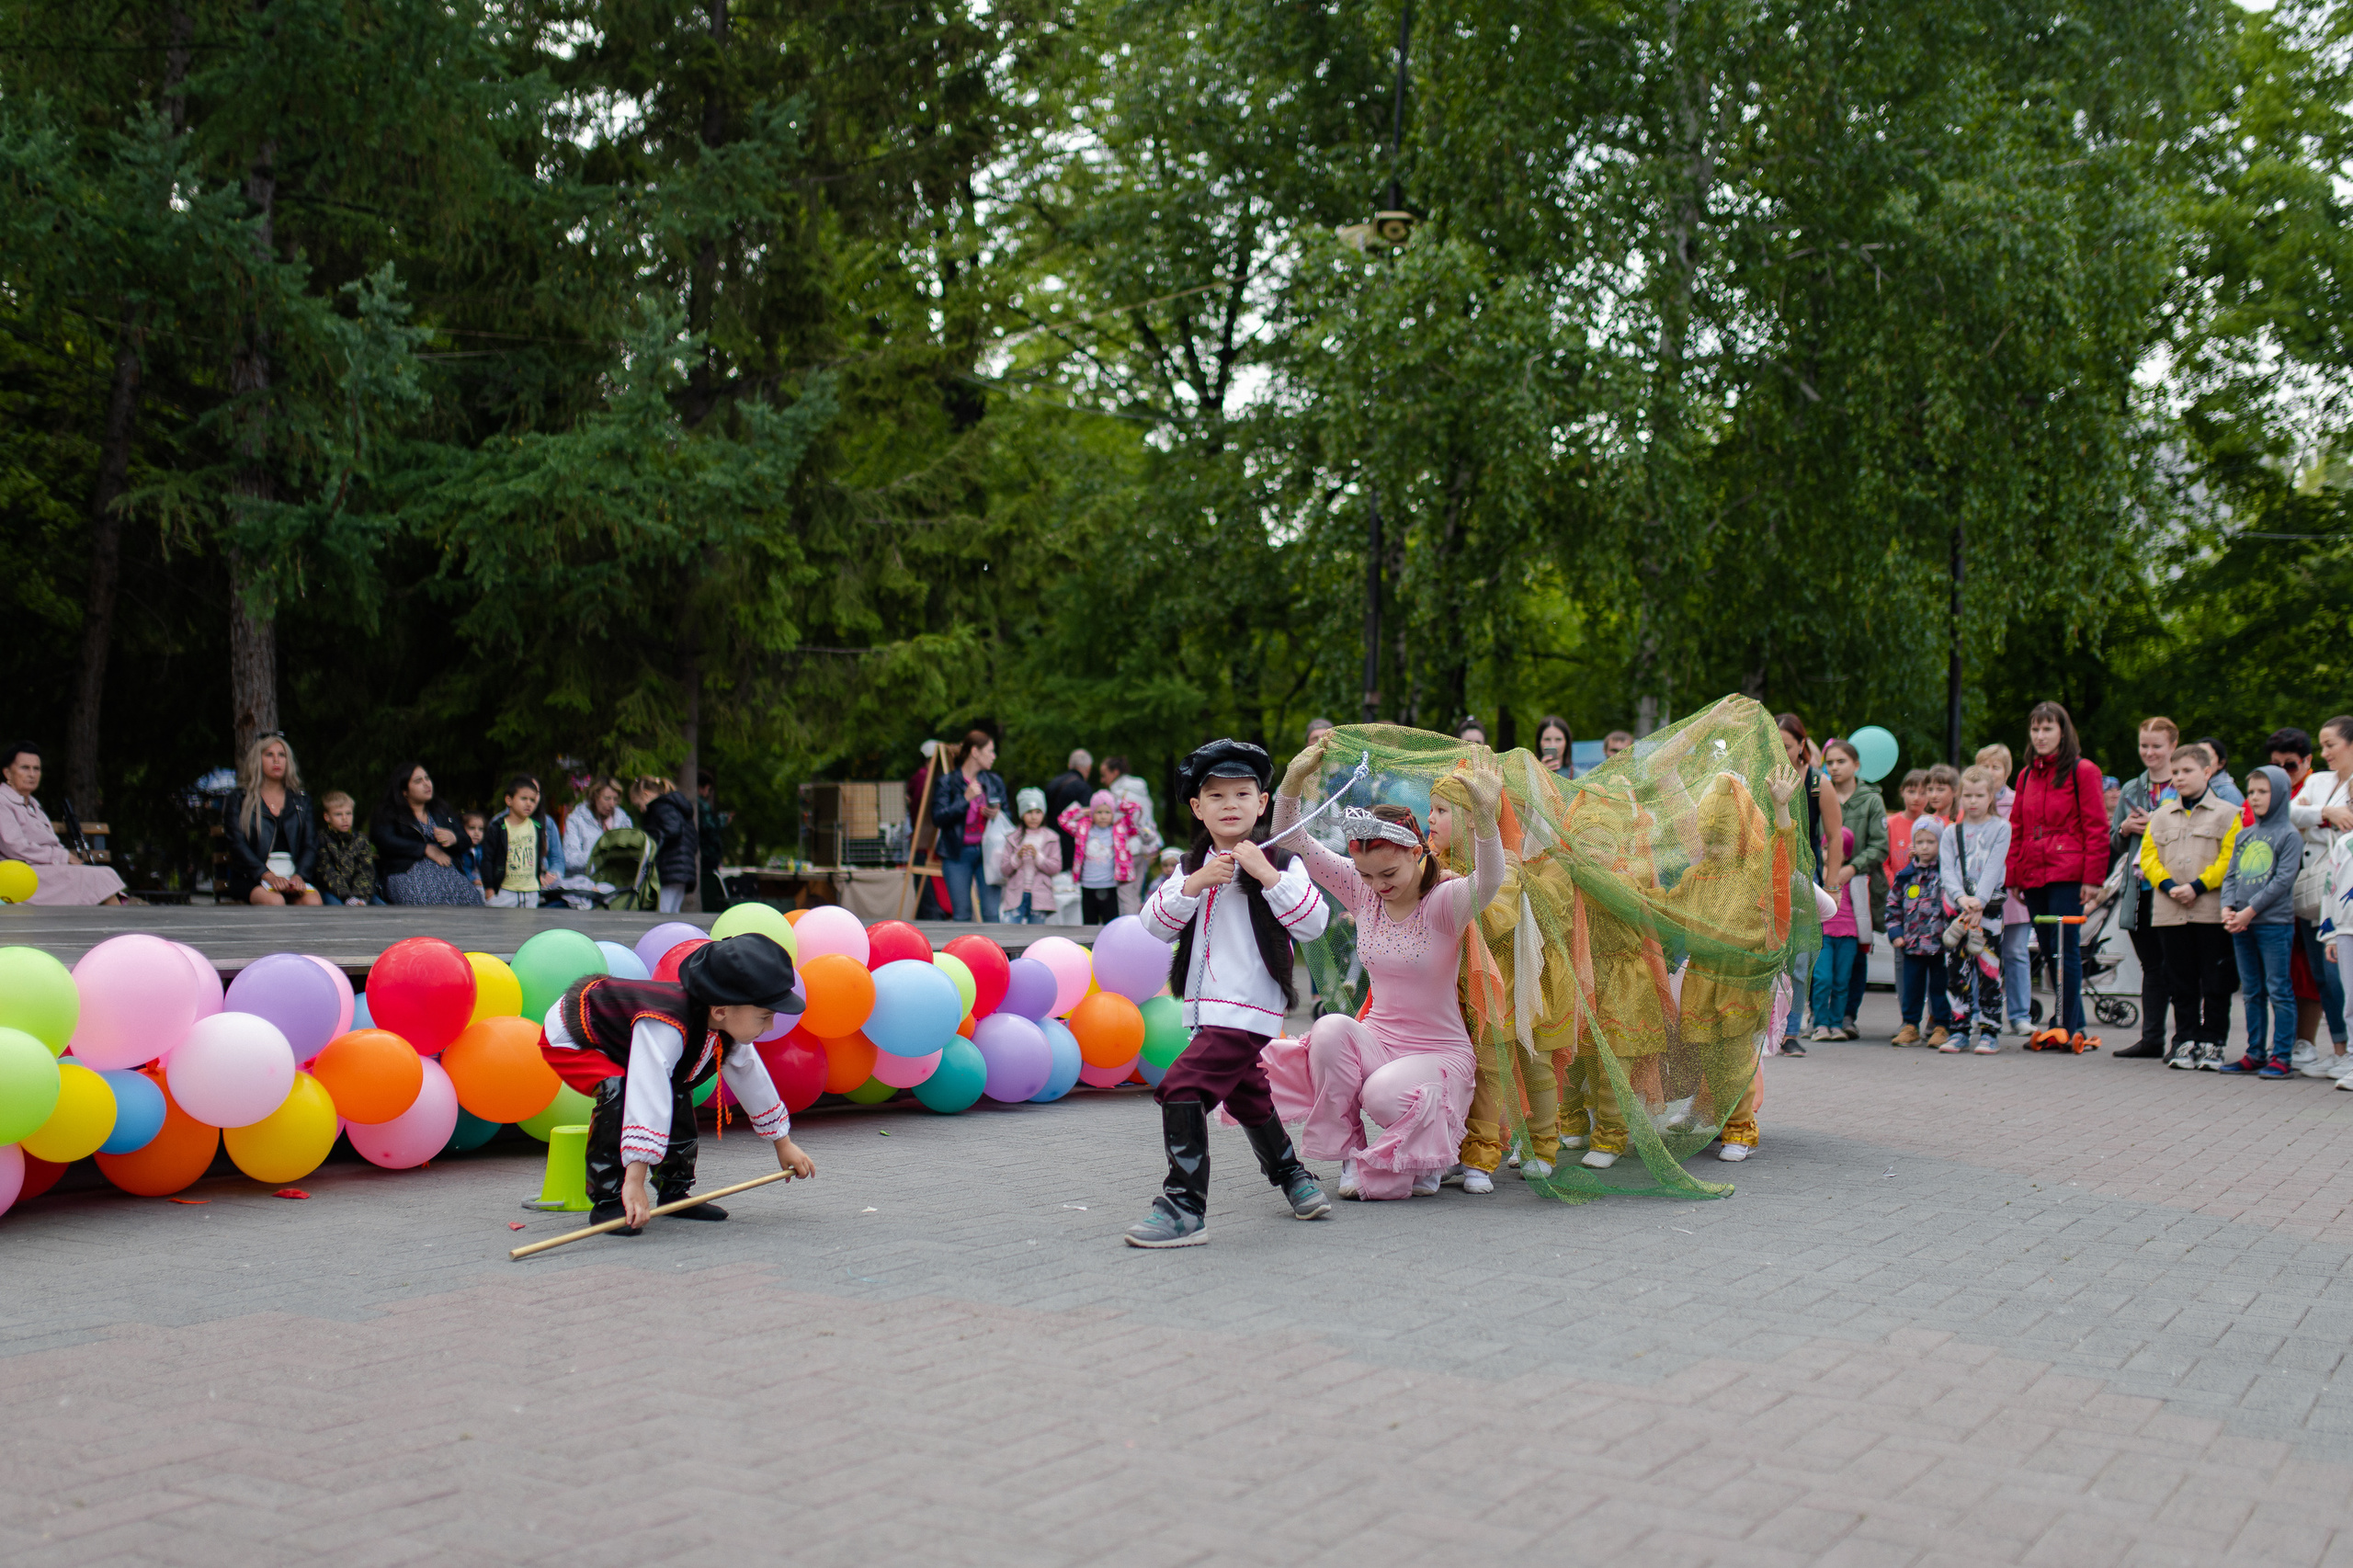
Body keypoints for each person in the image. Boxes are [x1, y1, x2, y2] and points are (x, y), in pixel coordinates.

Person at [1271, 739, 1506, 1200]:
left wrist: (1483, 819)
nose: (1377, 887)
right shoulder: (1362, 892)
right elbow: (1292, 837)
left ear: (1418, 854)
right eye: (1365, 875)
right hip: (1380, 1040)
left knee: (1380, 1094)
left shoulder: (1444, 902)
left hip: (1439, 1054)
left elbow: (1492, 878)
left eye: (1389, 876)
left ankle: (1432, 1148)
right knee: (1329, 1030)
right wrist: (1291, 784)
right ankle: (1349, 1155)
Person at [1126, 739, 1332, 1247]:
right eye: (1216, 796)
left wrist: (1266, 876)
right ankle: (1293, 1177)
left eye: (1243, 794)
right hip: (1204, 1009)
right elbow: (1154, 925)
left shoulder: (1280, 858)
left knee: (1182, 1087)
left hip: (1248, 1010)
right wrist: (1194, 884)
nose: (1230, 805)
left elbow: (1312, 924)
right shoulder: (1190, 865)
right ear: (1198, 808)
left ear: (1262, 802)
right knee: (1250, 1097)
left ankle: (1184, 1207)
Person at [539, 934, 816, 1233]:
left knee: (679, 1087)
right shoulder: (666, 1025)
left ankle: (675, 1193)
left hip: (625, 1040)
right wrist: (634, 1182)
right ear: (721, 1011)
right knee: (621, 1090)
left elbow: (752, 1077)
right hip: (576, 1037)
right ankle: (610, 1201)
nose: (771, 1026)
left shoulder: (722, 1021)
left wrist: (783, 1144)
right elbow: (648, 1092)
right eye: (764, 1017)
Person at [2005, 708, 2109, 1049]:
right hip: (2034, 872)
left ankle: (2065, 1025)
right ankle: (2070, 1023)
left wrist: (2093, 879)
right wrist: (2014, 875)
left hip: (2069, 871)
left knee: (2066, 949)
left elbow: (2096, 826)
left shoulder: (2084, 770)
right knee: (2049, 949)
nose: (2040, 736)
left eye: (2047, 728)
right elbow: (2017, 826)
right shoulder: (2025, 776)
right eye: (2035, 729)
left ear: (2063, 732)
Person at [2141, 743, 2242, 1070]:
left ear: (2208, 772)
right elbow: (2149, 856)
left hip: (2210, 910)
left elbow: (2230, 858)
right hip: (2170, 911)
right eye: (2176, 772)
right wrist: (2169, 886)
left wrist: (2198, 886)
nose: (2179, 778)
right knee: (2179, 979)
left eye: (2187, 771)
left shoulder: (2229, 814)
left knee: (2215, 979)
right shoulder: (2160, 816)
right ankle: (2185, 1038)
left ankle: (2213, 1041)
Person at [2218, 766, 2302, 1076]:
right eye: (2251, 791)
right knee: (2252, 991)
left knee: (2278, 989)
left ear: (2279, 793)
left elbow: (2281, 882)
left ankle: (2282, 1057)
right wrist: (2227, 907)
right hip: (2241, 923)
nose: (2254, 797)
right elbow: (2231, 876)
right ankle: (2254, 1052)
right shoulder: (2244, 834)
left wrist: (2248, 911)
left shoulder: (2289, 835)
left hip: (2273, 925)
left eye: (2262, 791)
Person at [2109, 718, 2180, 1059]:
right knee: (2152, 966)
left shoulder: (2185, 784)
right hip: (2141, 891)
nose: (2149, 752)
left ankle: (2184, 1039)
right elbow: (2115, 844)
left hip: (2176, 888)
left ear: (2173, 747)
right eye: (2144, 745)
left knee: (2178, 965)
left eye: (2157, 746)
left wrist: (2161, 823)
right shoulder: (2131, 789)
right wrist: (2124, 828)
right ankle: (2152, 1039)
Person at [2285, 721, 2353, 1075]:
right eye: (2323, 745)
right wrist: (2326, 813)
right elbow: (2288, 811)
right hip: (2316, 891)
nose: (2324, 753)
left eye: (2331, 745)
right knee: (2323, 975)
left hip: (2345, 891)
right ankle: (2340, 1051)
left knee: (2342, 975)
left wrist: (2311, 823)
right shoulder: (2318, 781)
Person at [0, 741, 127, 904]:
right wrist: (62, 856)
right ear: (8, 773)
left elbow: (53, 843)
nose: (32, 774)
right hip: (18, 876)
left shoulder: (33, 804)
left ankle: (117, 925)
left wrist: (65, 858)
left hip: (43, 870)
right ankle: (120, 926)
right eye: (25, 768)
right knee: (96, 878)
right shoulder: (3, 801)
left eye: (36, 769)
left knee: (101, 875)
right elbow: (14, 847)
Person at [1941, 767, 2012, 1053]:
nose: (1973, 801)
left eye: (1979, 795)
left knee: (1989, 968)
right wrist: (1961, 900)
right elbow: (1947, 870)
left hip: (1989, 910)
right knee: (1956, 970)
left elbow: (1995, 867)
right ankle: (1958, 1028)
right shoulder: (1951, 832)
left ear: (1990, 796)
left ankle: (1989, 1029)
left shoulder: (2001, 828)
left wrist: (1979, 902)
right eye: (1967, 796)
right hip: (1958, 910)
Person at [1822, 737, 1888, 1036]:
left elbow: (1880, 845)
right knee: (1823, 954)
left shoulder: (1871, 799)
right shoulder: (1822, 793)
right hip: (1824, 883)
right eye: (1830, 762)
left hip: (1860, 885)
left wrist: (1850, 867)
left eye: (1841, 761)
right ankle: (1823, 1016)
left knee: (1856, 953)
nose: (1834, 768)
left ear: (1856, 765)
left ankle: (1848, 1016)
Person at [220, 732, 321, 906]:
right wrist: (267, 875)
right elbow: (237, 844)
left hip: (292, 876)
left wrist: (299, 876)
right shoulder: (239, 799)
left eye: (282, 755)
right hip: (252, 877)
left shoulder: (301, 800)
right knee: (275, 901)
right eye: (269, 755)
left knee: (313, 901)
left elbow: (310, 845)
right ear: (258, 760)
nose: (276, 760)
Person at [371, 762, 481, 905]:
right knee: (425, 901)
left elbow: (465, 841)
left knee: (472, 900)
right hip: (406, 872)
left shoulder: (441, 810)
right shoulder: (388, 813)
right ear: (404, 791)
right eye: (418, 781)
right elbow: (385, 840)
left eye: (427, 778)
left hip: (447, 871)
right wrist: (425, 849)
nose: (426, 784)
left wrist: (454, 838)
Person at [1885, 822, 1952, 1047]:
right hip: (1912, 944)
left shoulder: (1946, 873)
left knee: (1940, 988)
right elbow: (1893, 905)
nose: (1925, 847)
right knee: (1913, 987)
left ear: (1940, 843)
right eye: (1920, 842)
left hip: (1941, 945)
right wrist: (1895, 932)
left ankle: (1942, 1026)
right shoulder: (1906, 875)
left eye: (1931, 842)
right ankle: (1910, 1025)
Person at [930, 730, 1006, 923]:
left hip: (988, 853)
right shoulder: (947, 782)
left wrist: (998, 814)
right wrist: (965, 799)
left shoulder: (994, 781)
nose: (994, 756)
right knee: (962, 914)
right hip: (957, 855)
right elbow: (938, 817)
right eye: (990, 751)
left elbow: (1009, 817)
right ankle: (961, 953)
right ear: (975, 752)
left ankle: (996, 953)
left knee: (991, 914)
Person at [1060, 789, 1143, 925]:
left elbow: (1136, 809)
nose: (1103, 816)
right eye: (1098, 812)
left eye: (1107, 812)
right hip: (1087, 886)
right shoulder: (1083, 828)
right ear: (1092, 813)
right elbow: (1063, 819)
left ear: (1113, 813)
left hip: (1109, 886)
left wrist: (1115, 804)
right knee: (1088, 924)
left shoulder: (1120, 829)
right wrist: (1085, 811)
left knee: (1111, 925)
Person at [1808, 827, 1860, 1040]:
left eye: (1835, 849)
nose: (1829, 853)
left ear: (1846, 854)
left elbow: (1863, 908)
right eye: (1825, 848)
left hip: (1848, 935)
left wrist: (1865, 938)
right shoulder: (1818, 875)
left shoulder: (1852, 877)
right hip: (1823, 935)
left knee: (1842, 980)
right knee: (1823, 979)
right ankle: (1820, 1023)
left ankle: (1836, 1024)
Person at [482, 775, 560, 908]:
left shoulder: (537, 827)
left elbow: (537, 858)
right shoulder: (498, 827)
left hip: (531, 892)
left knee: (528, 927)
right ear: (509, 800)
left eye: (533, 800)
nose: (529, 803)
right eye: (524, 798)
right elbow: (487, 859)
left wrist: (539, 878)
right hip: (505, 891)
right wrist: (489, 888)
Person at [1098, 755, 1162, 916]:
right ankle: (1138, 927)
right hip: (1144, 846)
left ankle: (1127, 930)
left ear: (1115, 772)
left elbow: (1119, 821)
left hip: (1126, 848)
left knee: (1126, 893)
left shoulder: (1119, 794)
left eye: (1104, 775)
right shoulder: (1141, 790)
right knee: (1136, 892)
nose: (1102, 780)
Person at [629, 776, 699, 914]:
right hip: (682, 868)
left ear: (646, 794)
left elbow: (672, 829)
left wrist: (652, 843)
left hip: (670, 869)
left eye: (639, 804)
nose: (641, 810)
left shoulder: (660, 806)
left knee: (663, 913)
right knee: (672, 912)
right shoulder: (677, 808)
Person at [560, 777, 632, 896]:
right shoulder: (576, 820)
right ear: (595, 796)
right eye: (607, 798)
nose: (612, 804)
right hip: (585, 887)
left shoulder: (623, 821)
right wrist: (600, 854)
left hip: (616, 887)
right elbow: (569, 858)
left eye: (615, 799)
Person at [998, 789, 1061, 923]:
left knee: (1036, 935)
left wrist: (1038, 856)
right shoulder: (1013, 838)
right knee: (1009, 931)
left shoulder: (1051, 838)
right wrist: (1017, 857)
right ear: (1022, 814)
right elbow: (1004, 870)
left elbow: (1056, 867)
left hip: (1040, 896)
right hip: (1016, 894)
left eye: (1038, 812)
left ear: (1043, 814)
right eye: (1029, 812)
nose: (1034, 817)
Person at [316, 790, 376, 905]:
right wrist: (347, 897)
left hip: (360, 893)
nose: (345, 818)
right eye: (338, 814)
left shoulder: (360, 840)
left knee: (382, 909)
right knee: (339, 910)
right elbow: (328, 872)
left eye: (348, 813)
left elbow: (365, 871)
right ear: (327, 817)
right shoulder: (322, 839)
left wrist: (360, 897)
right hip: (332, 892)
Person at [696, 769, 729, 912]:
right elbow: (710, 829)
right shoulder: (701, 806)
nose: (708, 793)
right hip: (707, 858)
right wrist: (722, 820)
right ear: (701, 787)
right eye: (708, 789)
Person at [2198, 736, 2245, 805]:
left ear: (2221, 763)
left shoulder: (2227, 792)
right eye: (2197, 759)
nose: (2201, 763)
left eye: (2207, 759)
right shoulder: (2188, 787)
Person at [456, 812, 488, 892]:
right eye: (472, 828)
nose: (477, 833)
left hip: (481, 882)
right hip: (466, 883)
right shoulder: (461, 850)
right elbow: (462, 868)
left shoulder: (481, 849)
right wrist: (473, 879)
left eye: (480, 829)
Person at [1534, 715, 1574, 779]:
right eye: (1547, 739)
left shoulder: (1581, 777)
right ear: (1539, 742)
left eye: (1558, 739)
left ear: (1567, 742)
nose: (1552, 745)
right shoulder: (1527, 777)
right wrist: (1540, 775)